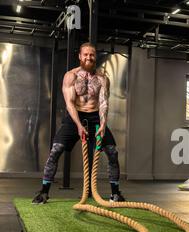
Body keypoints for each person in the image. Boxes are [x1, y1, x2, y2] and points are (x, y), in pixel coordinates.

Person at [32, 42, 125, 204]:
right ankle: (44, 192)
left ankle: (115, 194)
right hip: (75, 117)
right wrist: (78, 125)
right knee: (56, 150)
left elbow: (103, 103)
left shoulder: (102, 78)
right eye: (86, 54)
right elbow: (69, 103)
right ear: (80, 56)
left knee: (112, 152)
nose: (89, 57)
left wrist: (103, 124)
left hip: (96, 117)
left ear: (95, 57)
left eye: (92, 54)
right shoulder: (71, 76)